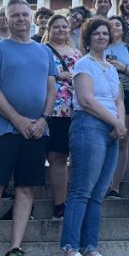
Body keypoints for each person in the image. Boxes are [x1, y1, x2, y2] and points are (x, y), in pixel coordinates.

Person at [0, 0, 58, 256]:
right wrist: (16, 118)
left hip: (37, 131)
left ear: (33, 18)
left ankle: (15, 248)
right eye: (16, 16)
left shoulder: (44, 51)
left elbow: (52, 90)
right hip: (2, 130)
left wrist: (43, 119)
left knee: (27, 188)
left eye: (26, 15)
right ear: (7, 19)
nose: (21, 19)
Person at [59, 18, 128, 256]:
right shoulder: (83, 65)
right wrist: (115, 122)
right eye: (96, 34)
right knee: (80, 191)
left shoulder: (110, 68)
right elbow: (86, 100)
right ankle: (69, 252)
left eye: (105, 33)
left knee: (98, 194)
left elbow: (118, 98)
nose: (102, 37)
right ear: (87, 39)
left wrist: (119, 122)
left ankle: (90, 250)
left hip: (110, 129)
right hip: (88, 126)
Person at [44, 13, 80, 219]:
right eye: (56, 27)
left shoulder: (76, 52)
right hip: (44, 108)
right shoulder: (42, 50)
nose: (60, 30)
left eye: (64, 27)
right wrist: (59, 76)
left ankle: (60, 203)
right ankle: (27, 204)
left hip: (69, 110)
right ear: (49, 30)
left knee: (59, 157)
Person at [104, 15, 129, 198]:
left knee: (121, 138)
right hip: (104, 96)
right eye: (110, 24)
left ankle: (115, 186)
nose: (114, 27)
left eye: (118, 24)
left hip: (127, 95)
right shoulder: (100, 45)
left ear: (123, 28)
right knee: (104, 138)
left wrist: (122, 67)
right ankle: (102, 182)